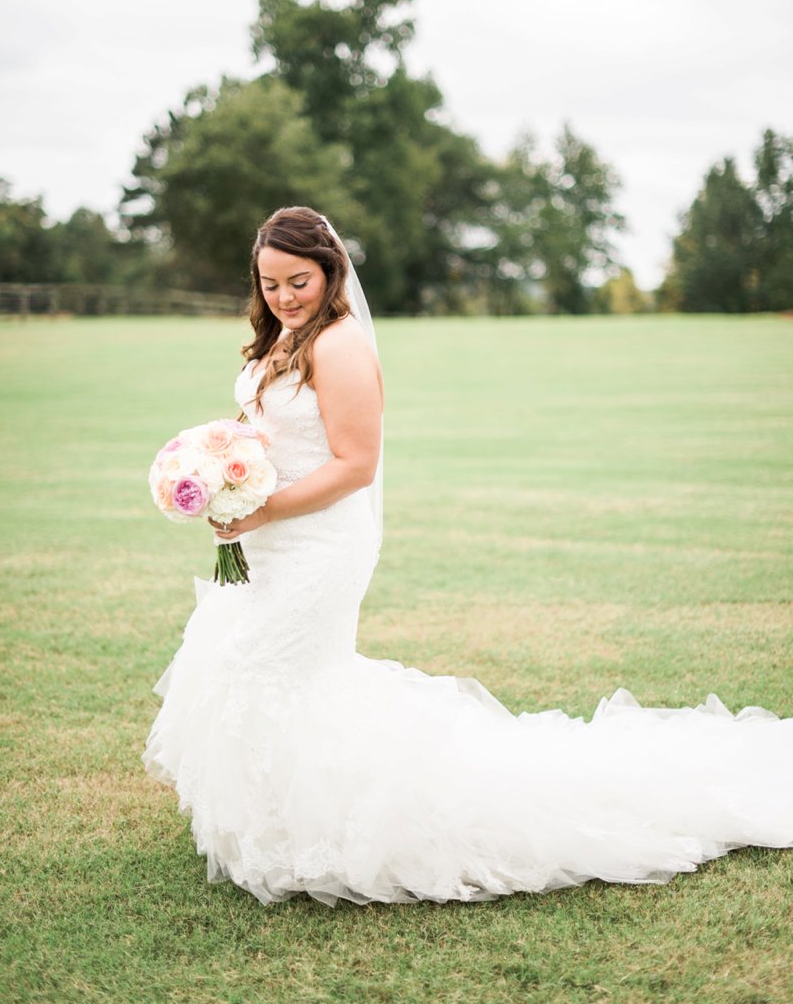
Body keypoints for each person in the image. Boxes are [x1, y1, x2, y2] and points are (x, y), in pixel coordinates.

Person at [143, 206, 793, 907]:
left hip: (320, 544)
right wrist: (226, 471)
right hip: (271, 540)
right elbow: (272, 429)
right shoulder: (284, 338)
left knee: (276, 668)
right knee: (251, 665)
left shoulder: (339, 344)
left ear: (331, 271)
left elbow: (357, 464)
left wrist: (264, 506)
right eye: (269, 284)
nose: (284, 297)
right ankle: (275, 826)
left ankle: (349, 827)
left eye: (298, 281)